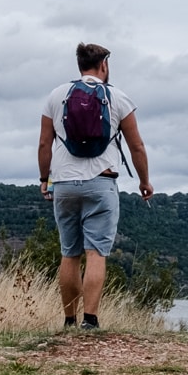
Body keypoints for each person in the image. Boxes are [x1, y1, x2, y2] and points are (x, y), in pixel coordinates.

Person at [38, 42, 153, 330]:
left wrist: (44, 179)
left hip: (64, 183)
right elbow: (136, 146)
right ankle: (90, 320)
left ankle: (68, 321)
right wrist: (144, 181)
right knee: (95, 253)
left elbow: (44, 143)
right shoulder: (118, 97)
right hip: (101, 182)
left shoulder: (56, 96)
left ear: (80, 65)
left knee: (69, 253)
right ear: (103, 65)